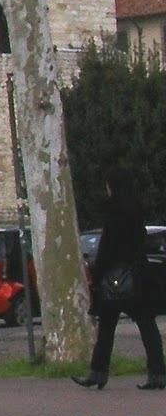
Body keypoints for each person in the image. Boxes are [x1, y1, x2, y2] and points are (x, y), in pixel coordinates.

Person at [74, 166, 165, 390]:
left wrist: (97, 273)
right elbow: (142, 241)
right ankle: (157, 373)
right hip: (138, 277)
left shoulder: (113, 212)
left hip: (113, 278)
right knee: (147, 325)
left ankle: (98, 372)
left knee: (106, 328)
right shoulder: (136, 210)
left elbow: (107, 247)